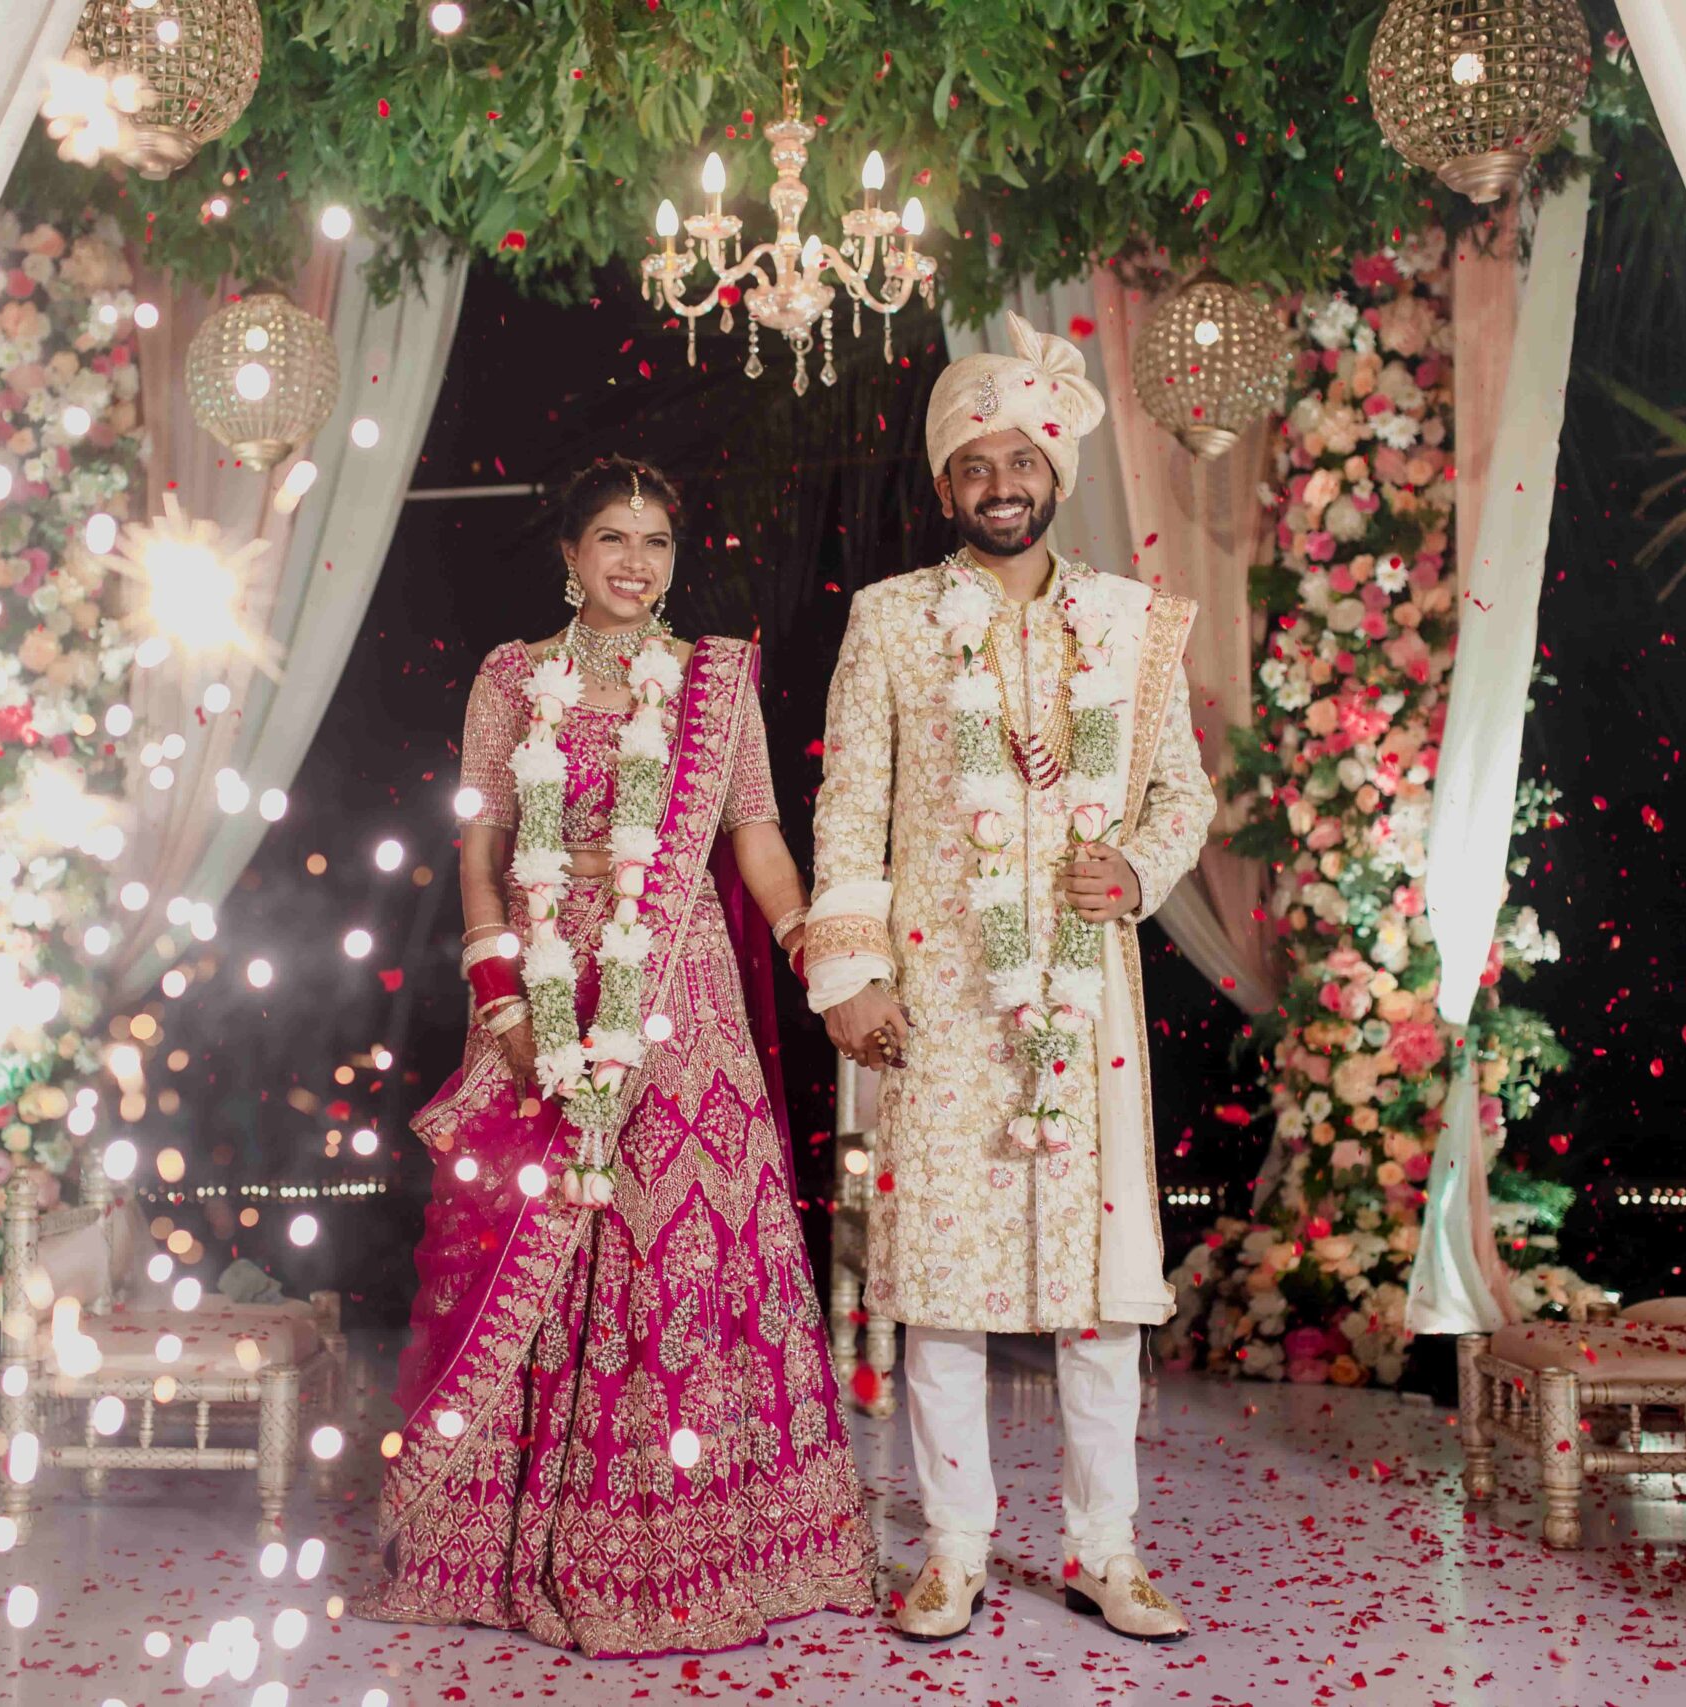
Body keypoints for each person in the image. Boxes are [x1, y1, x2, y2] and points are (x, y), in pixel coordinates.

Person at [354, 457, 877, 1656]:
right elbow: (482, 847)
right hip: (548, 977)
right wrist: (502, 997)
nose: (634, 564)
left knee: (681, 1246)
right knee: (547, 1241)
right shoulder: (513, 678)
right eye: (610, 540)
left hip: (680, 991)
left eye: (654, 542)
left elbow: (754, 830)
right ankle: (512, 1535)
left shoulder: (714, 679)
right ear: (569, 555)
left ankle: (707, 1532)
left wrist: (810, 945)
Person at [803, 313, 1215, 1644]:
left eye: (1019, 459)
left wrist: (1140, 874)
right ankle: (956, 1548)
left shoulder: (1134, 627)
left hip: (1084, 1004)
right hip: (946, 999)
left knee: (1100, 1293)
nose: (1000, 482)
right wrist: (852, 975)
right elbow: (850, 807)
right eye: (973, 463)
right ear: (944, 488)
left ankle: (1105, 1545)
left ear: (1055, 473)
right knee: (946, 1290)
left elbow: (1183, 793)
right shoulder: (892, 624)